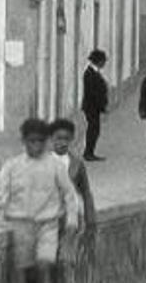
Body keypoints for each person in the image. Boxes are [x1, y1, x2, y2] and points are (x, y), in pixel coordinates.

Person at [0, 118, 79, 283]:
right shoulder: (13, 165)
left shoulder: (55, 166)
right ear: (24, 141)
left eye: (40, 141)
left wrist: (72, 220)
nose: (36, 145)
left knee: (45, 264)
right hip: (21, 224)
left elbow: (70, 194)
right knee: (21, 267)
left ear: (46, 141)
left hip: (47, 225)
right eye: (31, 141)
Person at [47, 118, 96, 281]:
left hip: (70, 220)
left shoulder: (77, 164)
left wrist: (91, 220)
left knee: (66, 261)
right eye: (58, 138)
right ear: (51, 139)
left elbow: (86, 193)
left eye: (66, 139)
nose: (62, 142)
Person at [81, 50, 109, 161]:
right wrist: (101, 106)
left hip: (94, 107)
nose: (104, 64)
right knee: (93, 129)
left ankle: (89, 151)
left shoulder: (94, 72)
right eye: (103, 61)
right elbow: (93, 93)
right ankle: (88, 153)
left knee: (94, 129)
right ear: (98, 61)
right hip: (91, 107)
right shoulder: (89, 73)